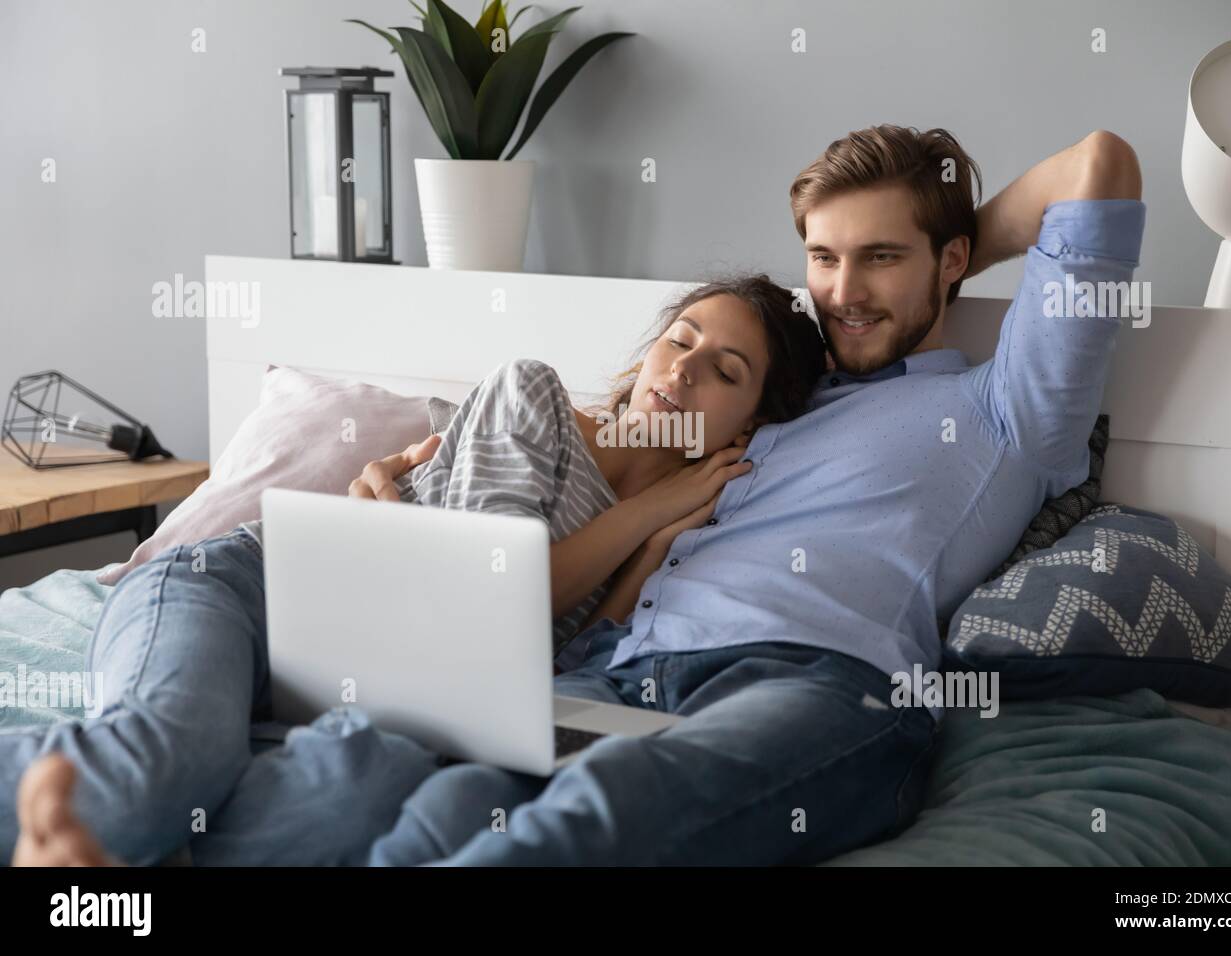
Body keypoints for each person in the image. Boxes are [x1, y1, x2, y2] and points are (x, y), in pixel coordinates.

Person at [13, 125, 1144, 868]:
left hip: (811, 675)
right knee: (414, 803)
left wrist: (950, 237)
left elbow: (1096, 165)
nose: (844, 292)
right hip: (594, 674)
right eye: (823, 258)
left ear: (952, 263)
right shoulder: (772, 411)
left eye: (881, 259)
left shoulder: (1009, 408)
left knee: (590, 825)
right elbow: (547, 513)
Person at [3, 275, 828, 867]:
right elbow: (496, 597)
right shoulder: (531, 396)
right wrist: (643, 514)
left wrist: (651, 546)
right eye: (679, 340)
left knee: (361, 795)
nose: (683, 369)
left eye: (725, 370)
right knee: (165, 765)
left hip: (379, 686)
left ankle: (100, 860)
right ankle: (106, 822)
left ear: (748, 425)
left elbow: (552, 669)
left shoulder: (685, 534)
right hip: (249, 592)